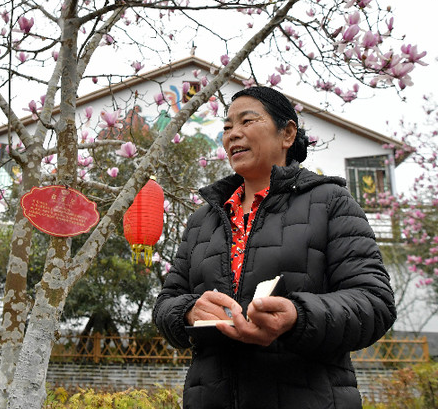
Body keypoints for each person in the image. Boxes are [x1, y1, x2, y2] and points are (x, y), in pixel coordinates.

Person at [153, 86, 396, 409]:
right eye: (227, 127)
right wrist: (189, 311)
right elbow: (166, 303)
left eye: (247, 121)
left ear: (288, 134)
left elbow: (374, 302)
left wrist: (298, 316)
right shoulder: (203, 219)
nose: (233, 134)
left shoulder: (331, 203)